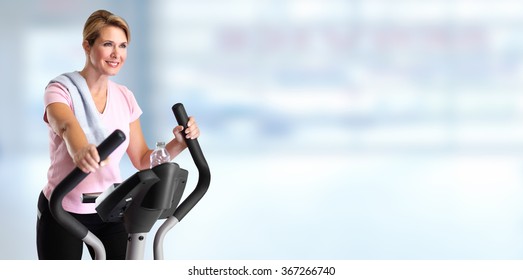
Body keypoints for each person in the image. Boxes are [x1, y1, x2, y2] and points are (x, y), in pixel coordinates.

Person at [36, 9, 200, 260]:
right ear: (87, 46)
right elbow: (66, 124)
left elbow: (143, 159)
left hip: (109, 207)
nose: (116, 54)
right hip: (62, 208)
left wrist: (178, 145)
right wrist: (81, 150)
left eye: (122, 46)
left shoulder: (125, 97)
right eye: (108, 44)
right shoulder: (60, 89)